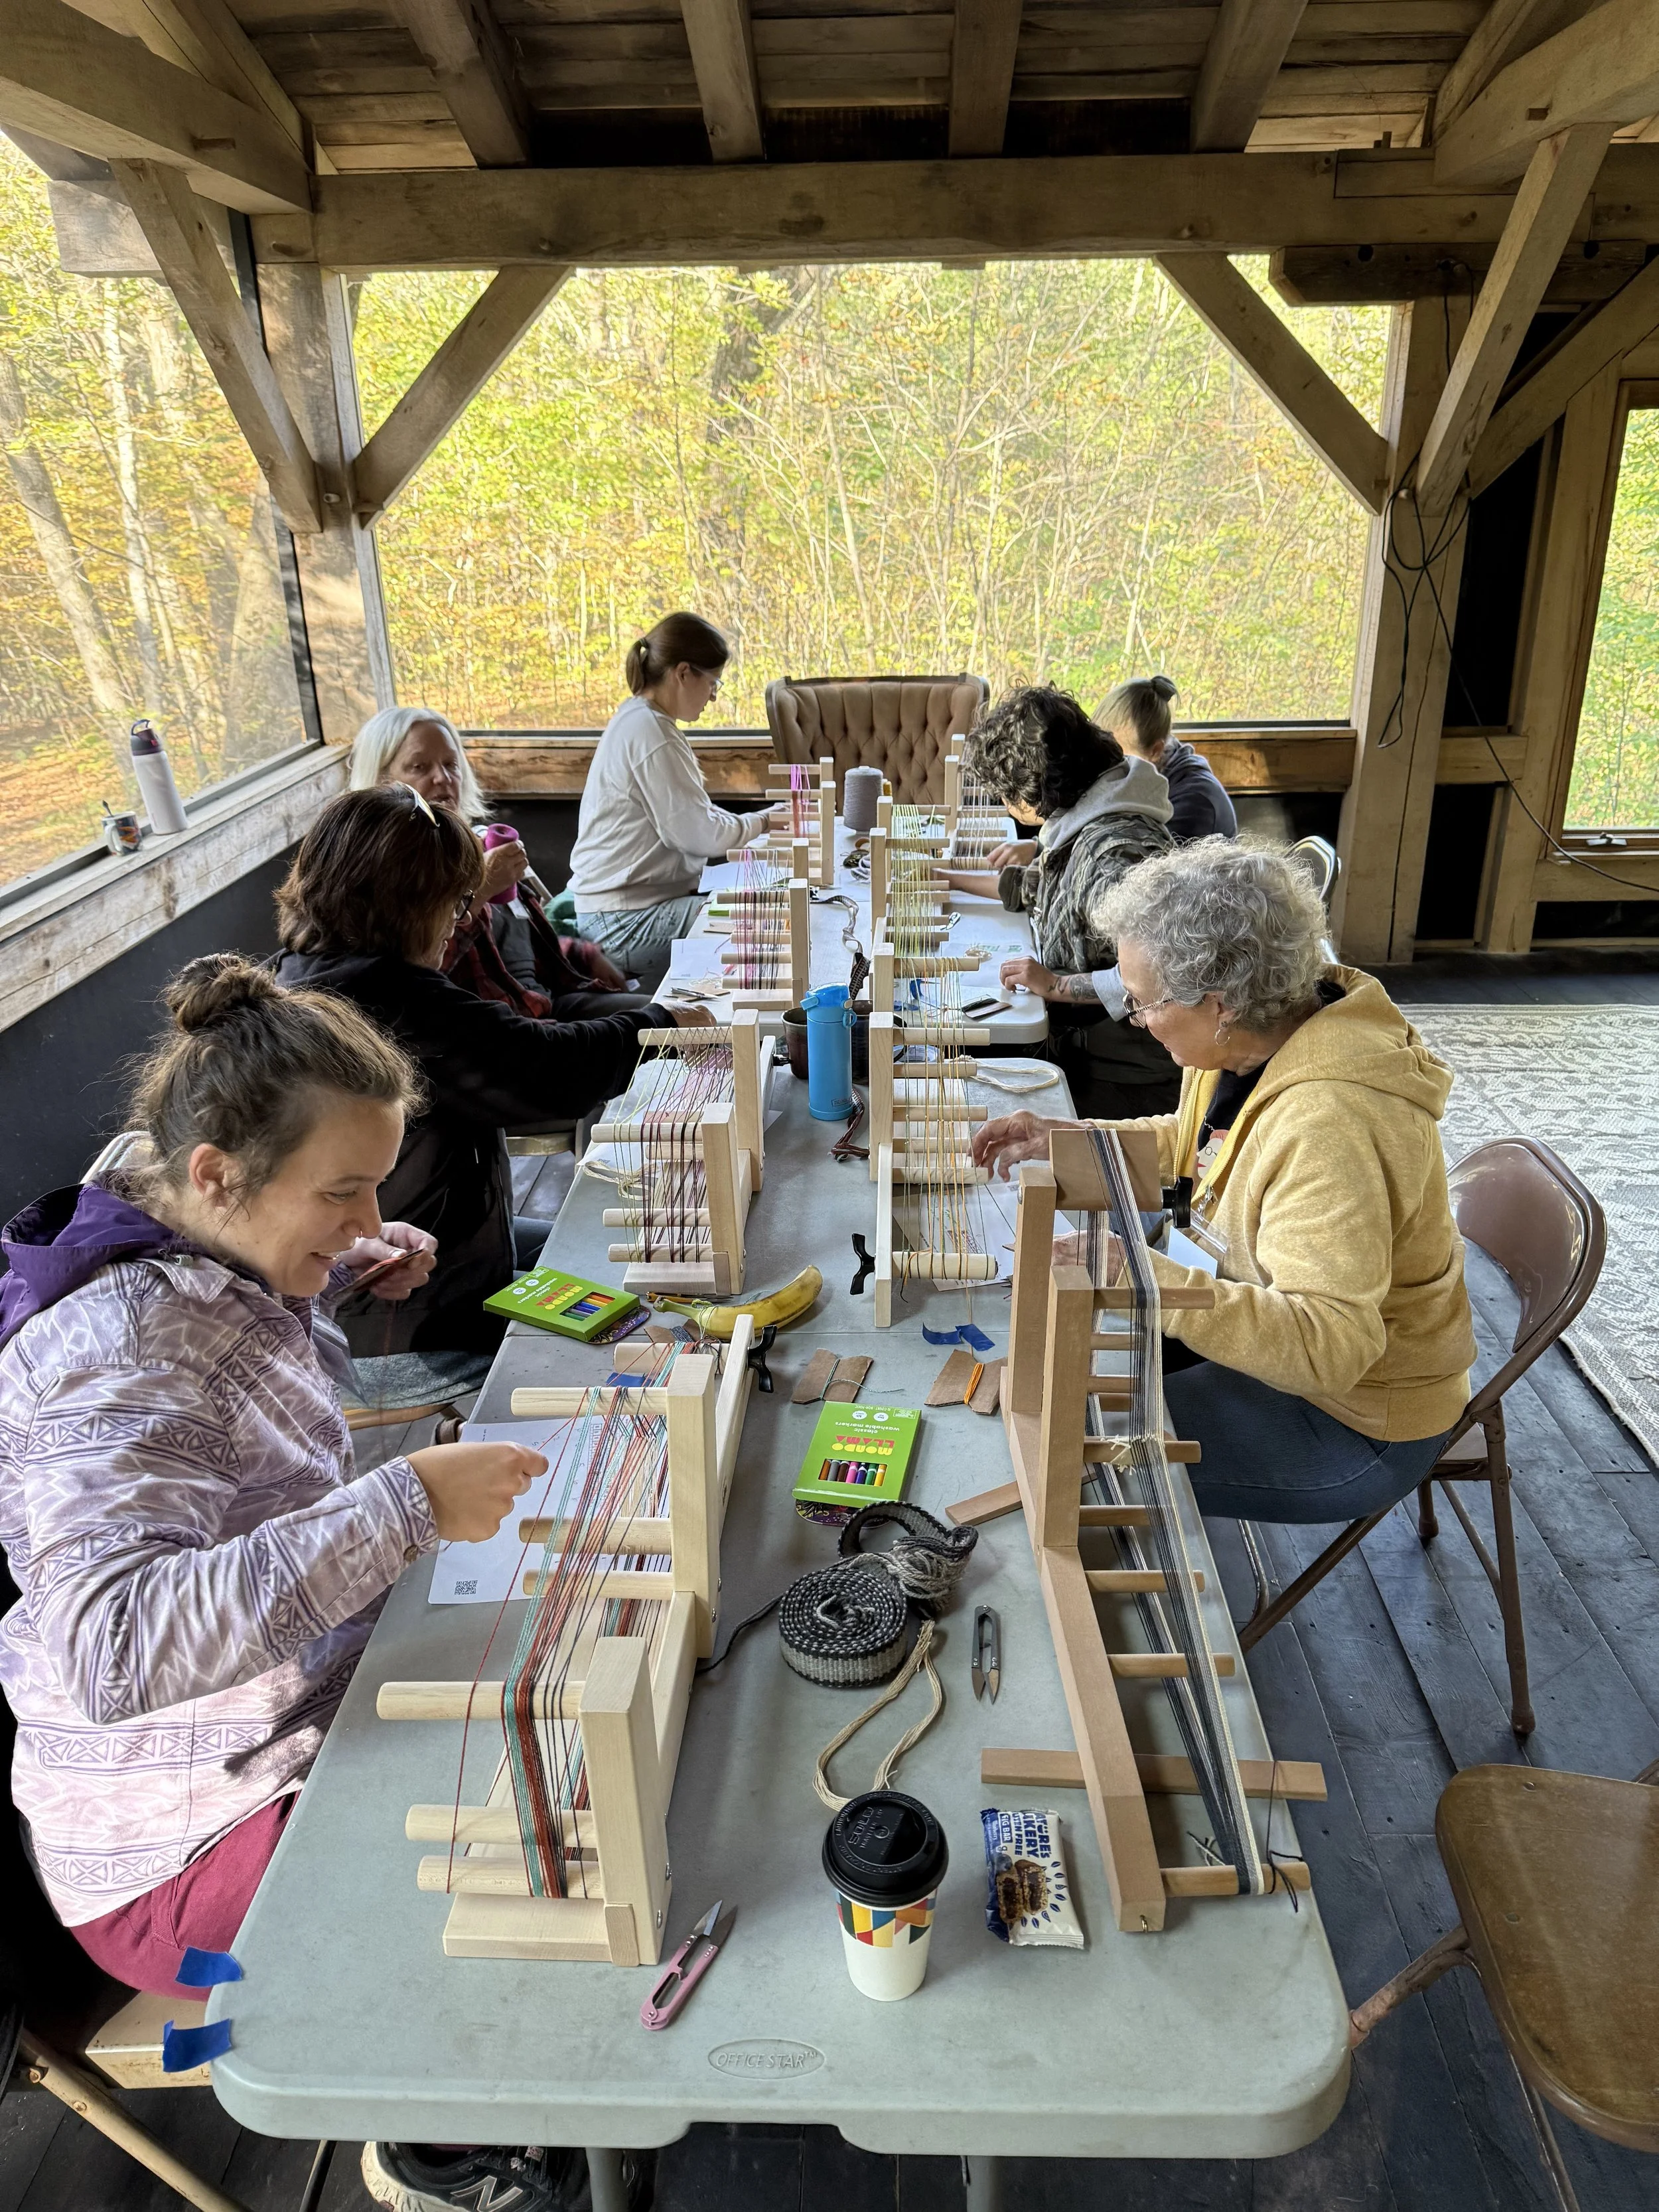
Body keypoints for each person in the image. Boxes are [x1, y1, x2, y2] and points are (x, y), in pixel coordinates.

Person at [0, 955, 543, 1994]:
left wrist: (324, 1264)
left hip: (278, 1729)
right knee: (512, 1874)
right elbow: (114, 1649)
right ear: (217, 1172)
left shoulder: (179, 1214)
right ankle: (446, 2148)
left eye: (375, 1185)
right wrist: (410, 1502)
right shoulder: (118, 1352)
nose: (371, 1212)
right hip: (180, 1846)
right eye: (343, 1191)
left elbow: (221, 1372)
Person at [972, 840, 1476, 1525]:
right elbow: (1197, 1149)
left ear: (1220, 1003)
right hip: (1262, 1323)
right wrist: (1066, 1143)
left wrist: (1147, 1281)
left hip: (1350, 1415)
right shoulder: (1254, 1037)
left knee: (1067, 1447)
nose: (1137, 1018)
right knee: (1066, 1401)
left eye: (1145, 1002)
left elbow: (1327, 1345)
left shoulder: (1332, 1123)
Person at [273, 785, 710, 1354]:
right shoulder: (389, 1000)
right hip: (408, 1309)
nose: (458, 923)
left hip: (424, 1264)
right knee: (652, 1299)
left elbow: (517, 1046)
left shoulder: (306, 971)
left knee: (607, 1247)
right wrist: (659, 1026)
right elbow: (547, 1070)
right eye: (455, 905)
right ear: (405, 904)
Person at [936, 686, 1181, 1118]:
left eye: (1006, 794)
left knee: (976, 1109)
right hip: (1093, 1050)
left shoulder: (1114, 852)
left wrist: (1057, 986)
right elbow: (1045, 889)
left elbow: (1157, 970)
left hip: (1126, 1076)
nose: (1007, 805)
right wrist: (948, 878)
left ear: (1034, 789)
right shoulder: (1094, 815)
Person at [350, 704, 630, 1019]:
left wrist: (581, 952)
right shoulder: (384, 872)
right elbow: (415, 973)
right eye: (419, 767)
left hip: (545, 1001)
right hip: (493, 1028)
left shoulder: (479, 843)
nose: (442, 779)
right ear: (381, 781)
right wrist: (479, 888)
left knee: (683, 1015)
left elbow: (519, 949)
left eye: (451, 764)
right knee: (662, 1030)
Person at [565, 613, 774, 994]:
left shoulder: (643, 721)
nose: (714, 694)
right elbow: (701, 835)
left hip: (622, 910)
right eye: (713, 682)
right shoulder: (650, 732)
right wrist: (764, 823)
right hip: (621, 921)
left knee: (761, 905)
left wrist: (756, 824)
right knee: (759, 922)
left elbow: (697, 820)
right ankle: (735, 1039)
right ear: (683, 673)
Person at [1097, 674, 1237, 844]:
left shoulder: (1195, 805)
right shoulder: (1153, 779)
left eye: (1119, 757)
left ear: (1156, 751)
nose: (1106, 768)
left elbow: (1140, 862)